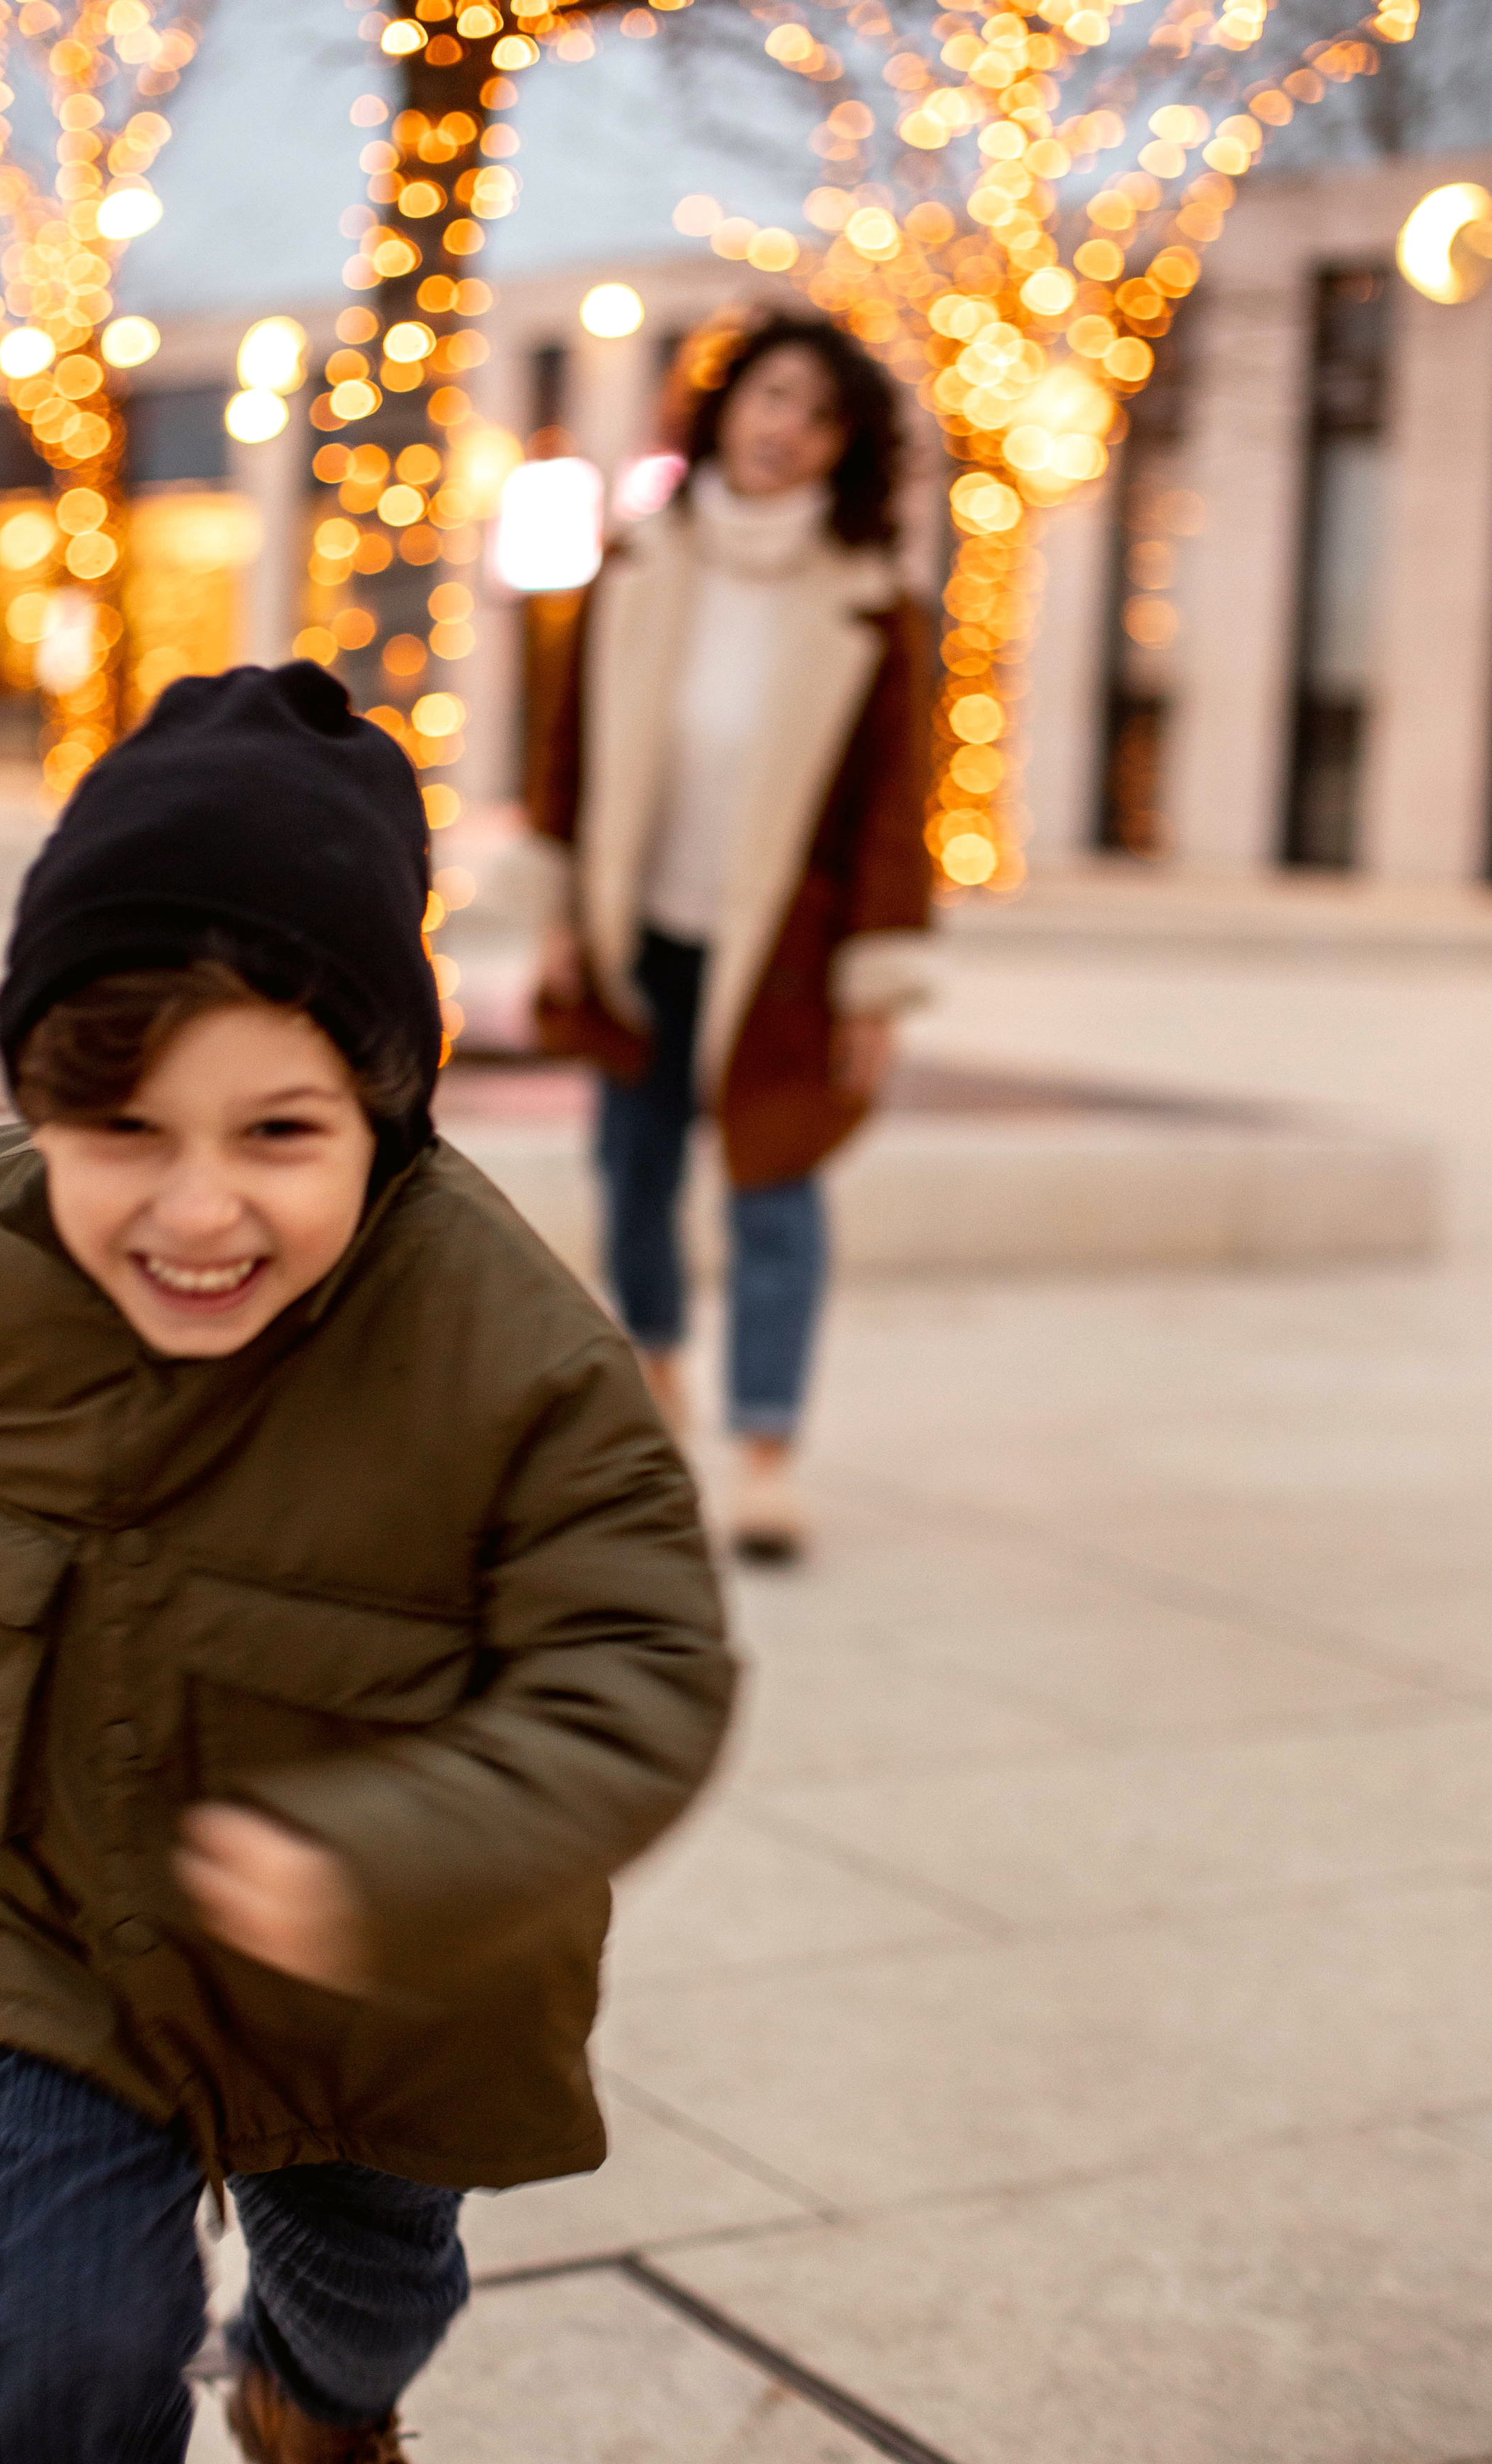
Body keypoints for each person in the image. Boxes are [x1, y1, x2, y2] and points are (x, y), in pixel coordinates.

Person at [0, 661, 734, 2464]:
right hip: (66, 1916)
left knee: (370, 2290)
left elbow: (639, 1658)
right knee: (54, 2346)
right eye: (119, 1128)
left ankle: (323, 2415)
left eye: (277, 1131)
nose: (191, 1206)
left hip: (388, 1978)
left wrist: (406, 1859)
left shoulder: (506, 1345)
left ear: (388, 1108)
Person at [523, 311, 935, 1562]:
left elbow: (889, 812)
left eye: (816, 415)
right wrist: (556, 915)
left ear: (842, 449)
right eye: (769, 398)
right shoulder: (637, 561)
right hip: (639, 931)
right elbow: (571, 749)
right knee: (633, 1184)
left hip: (789, 961)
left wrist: (875, 984)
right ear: (724, 408)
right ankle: (656, 1375)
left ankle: (766, 1454)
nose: (783, 430)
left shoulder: (872, 608)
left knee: (778, 1197)